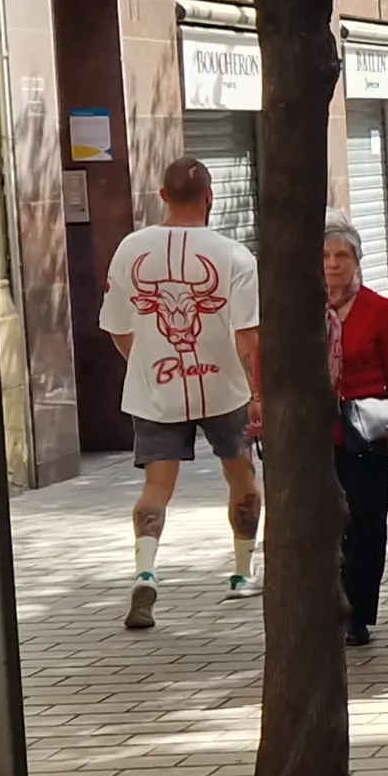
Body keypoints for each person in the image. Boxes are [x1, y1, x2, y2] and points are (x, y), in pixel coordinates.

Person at [101, 158, 264, 632]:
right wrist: (258, 392)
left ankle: (145, 571)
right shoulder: (235, 256)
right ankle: (241, 573)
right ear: (210, 197)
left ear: (162, 195)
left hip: (156, 390)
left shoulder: (130, 249)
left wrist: (147, 365)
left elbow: (116, 327)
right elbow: (248, 336)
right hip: (226, 386)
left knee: (157, 487)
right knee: (242, 475)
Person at [326, 216, 388, 648]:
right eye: (325, 256)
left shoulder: (379, 309)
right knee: (325, 526)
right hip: (317, 434)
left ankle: (357, 613)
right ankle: (325, 606)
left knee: (365, 524)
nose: (333, 264)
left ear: (357, 261)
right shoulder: (300, 309)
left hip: (365, 433)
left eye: (342, 255)